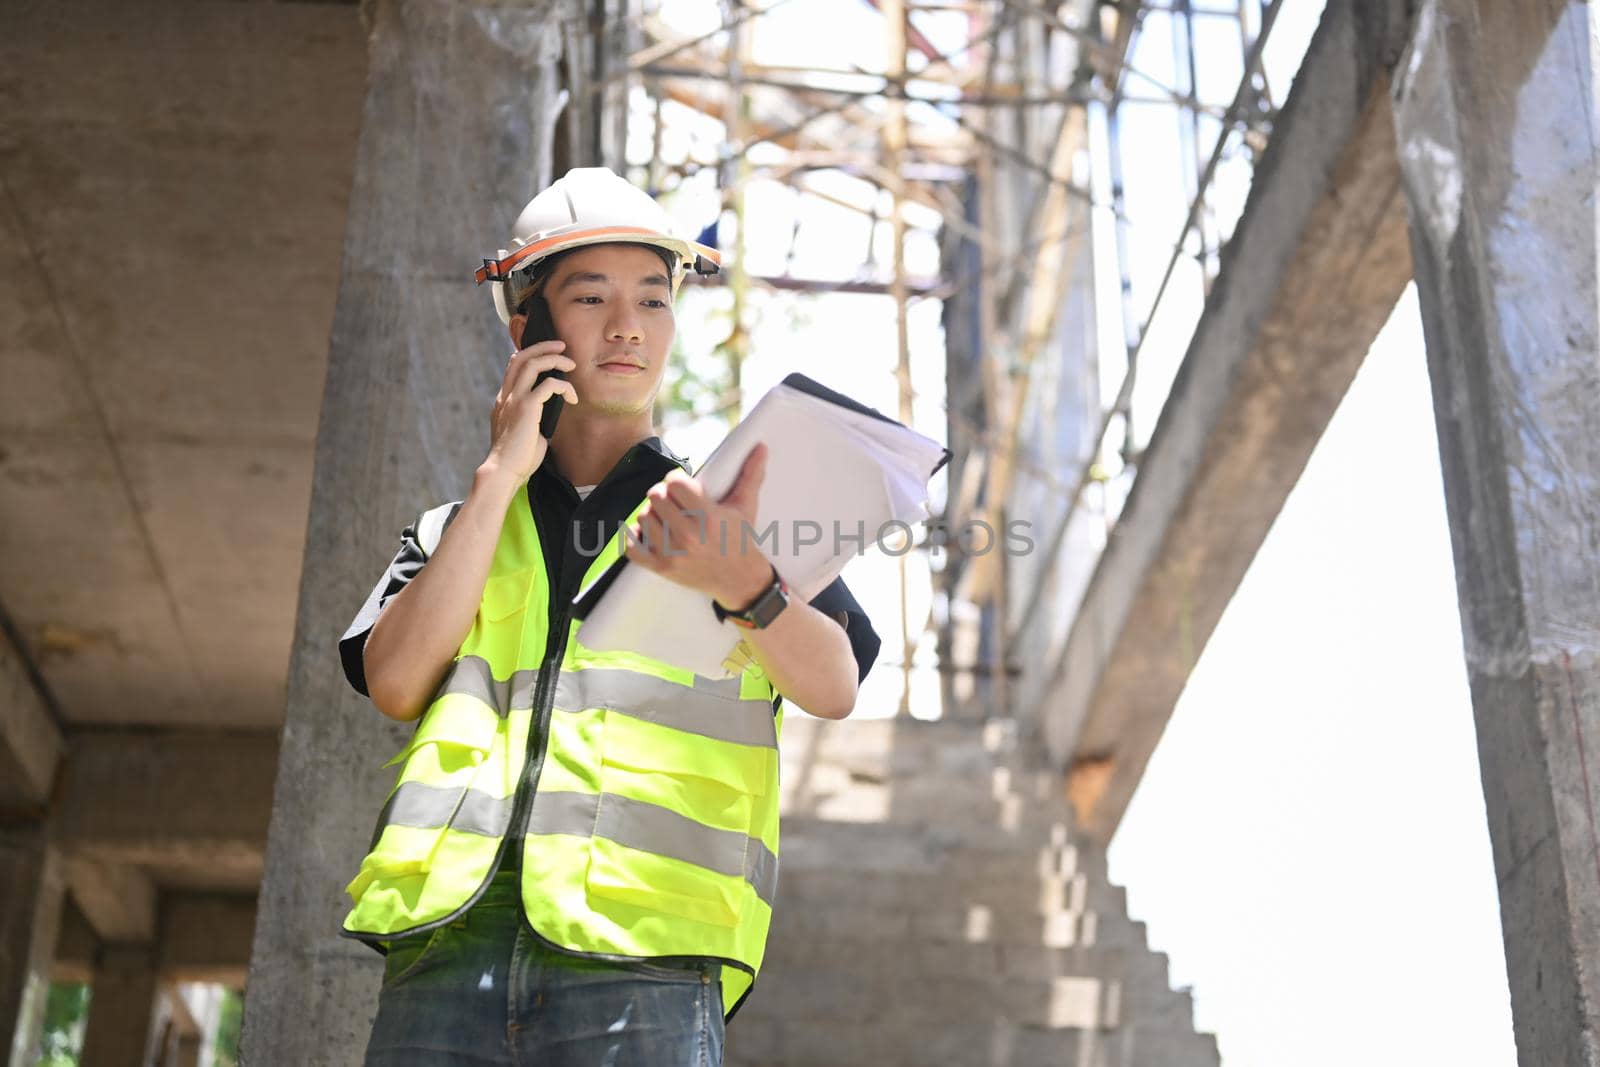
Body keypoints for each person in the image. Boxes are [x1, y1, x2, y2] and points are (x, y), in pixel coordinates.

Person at [335, 166, 881, 1066]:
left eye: (654, 301)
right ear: (529, 327)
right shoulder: (457, 527)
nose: (629, 327)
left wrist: (745, 580)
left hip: (648, 961)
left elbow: (834, 685)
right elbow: (394, 681)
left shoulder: (726, 511)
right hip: (446, 952)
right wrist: (500, 475)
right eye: (590, 297)